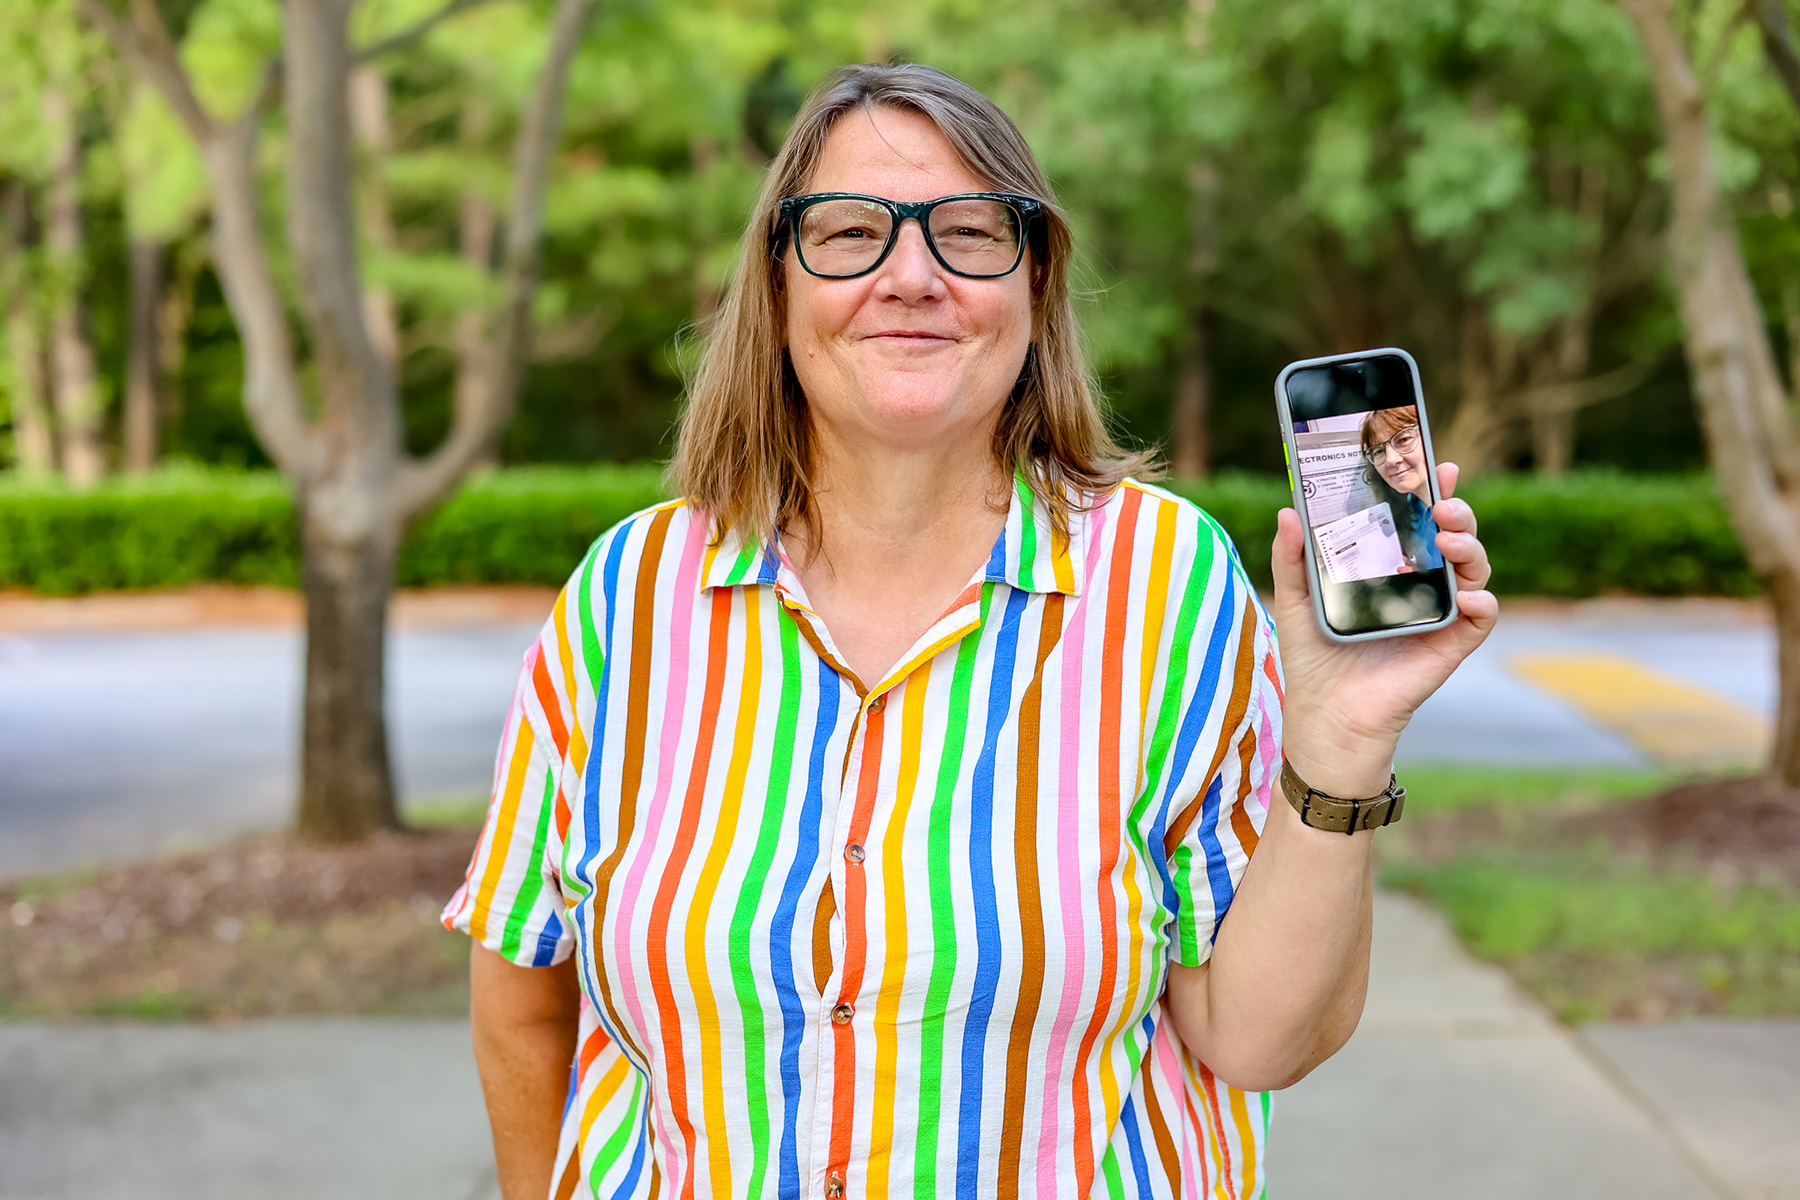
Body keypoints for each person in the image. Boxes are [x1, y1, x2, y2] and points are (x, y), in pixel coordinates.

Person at [443, 63, 1495, 1200]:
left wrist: (1339, 746)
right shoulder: (627, 598)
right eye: (850, 232)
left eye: (970, 232)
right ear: (778, 283)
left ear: (1034, 284)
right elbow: (522, 984)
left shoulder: (1171, 586)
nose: (912, 275)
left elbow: (1259, 1043)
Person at [1361, 405, 1445, 574]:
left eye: (1404, 440)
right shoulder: (1412, 505)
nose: (1391, 460)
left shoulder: (1452, 505)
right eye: (1378, 451)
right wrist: (1420, 571)